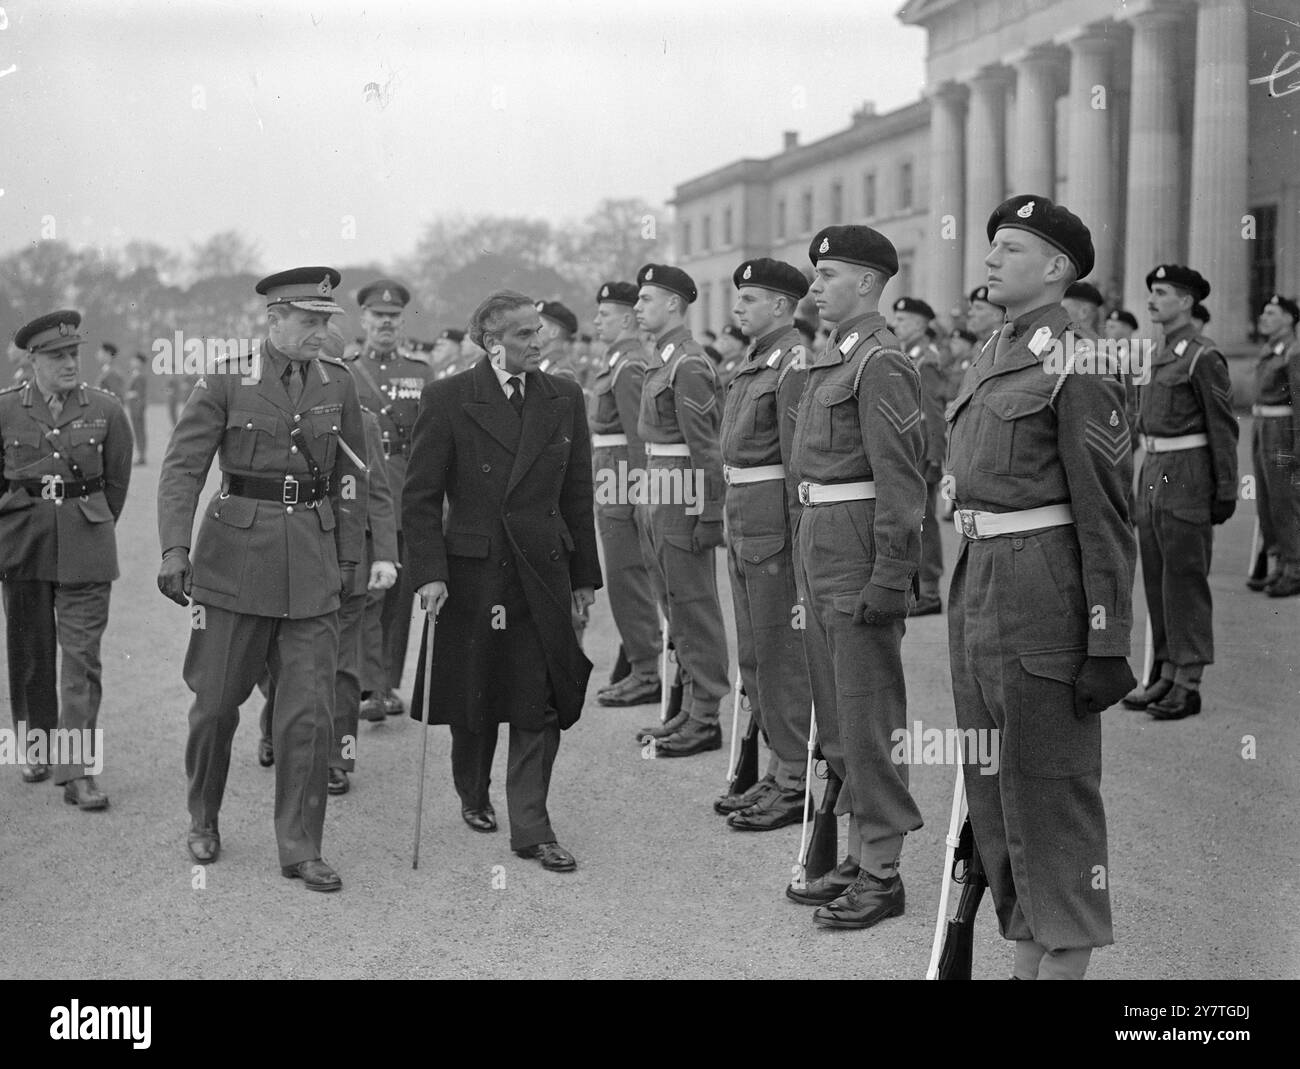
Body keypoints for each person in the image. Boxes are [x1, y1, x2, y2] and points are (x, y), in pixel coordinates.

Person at [947, 194, 1136, 979]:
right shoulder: (994, 349)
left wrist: (1107, 638)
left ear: (1057, 268)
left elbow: (1107, 513)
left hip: (1042, 596)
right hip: (980, 584)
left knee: (1050, 804)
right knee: (996, 800)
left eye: (1011, 248)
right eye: (992, 245)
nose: (990, 259)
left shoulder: (1079, 359)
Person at [156, 266, 367, 892]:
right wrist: (174, 548)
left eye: (326, 322)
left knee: (308, 715)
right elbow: (182, 470)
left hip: (313, 564)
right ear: (273, 321)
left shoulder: (339, 383)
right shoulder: (226, 377)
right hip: (234, 563)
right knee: (217, 705)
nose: (319, 333)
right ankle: (203, 815)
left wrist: (350, 556)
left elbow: (353, 478)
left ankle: (301, 847)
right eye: (308, 321)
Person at [404, 291, 601, 870]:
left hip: (543, 569)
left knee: (538, 698)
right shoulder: (447, 398)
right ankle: (472, 791)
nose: (538, 342)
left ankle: (533, 828)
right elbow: (419, 499)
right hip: (474, 573)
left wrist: (584, 576)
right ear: (493, 344)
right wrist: (429, 575)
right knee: (477, 696)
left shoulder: (563, 396)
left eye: (538, 331)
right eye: (523, 335)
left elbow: (578, 491)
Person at [783, 226, 925, 929]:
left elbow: (901, 482)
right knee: (838, 717)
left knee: (868, 719)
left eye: (828, 273)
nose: (814, 285)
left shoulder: (881, 363)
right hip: (822, 547)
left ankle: (884, 870)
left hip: (857, 552)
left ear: (868, 283)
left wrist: (891, 575)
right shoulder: (833, 358)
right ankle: (862, 852)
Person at [256, 324, 398, 793]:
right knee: (279, 656)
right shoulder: (271, 415)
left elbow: (378, 493)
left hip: (346, 563)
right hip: (290, 556)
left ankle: (338, 757)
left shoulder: (366, 424)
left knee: (341, 667)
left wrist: (386, 557)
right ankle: (274, 729)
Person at [1, 310, 132, 805]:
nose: (69, 363)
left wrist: (93, 526)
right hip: (24, 547)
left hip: (86, 547)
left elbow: (116, 483)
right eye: (56, 356)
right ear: (32, 359)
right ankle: (37, 745)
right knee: (31, 654)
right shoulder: (7, 410)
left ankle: (76, 770)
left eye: (73, 353)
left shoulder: (107, 409)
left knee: (82, 660)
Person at [715, 257, 813, 829]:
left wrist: (798, 537)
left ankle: (797, 775)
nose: (737, 308)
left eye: (748, 299)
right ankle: (778, 768)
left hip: (773, 515)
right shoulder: (755, 358)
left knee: (780, 652)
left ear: (780, 305)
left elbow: (797, 458)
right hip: (742, 511)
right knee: (753, 651)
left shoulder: (793, 360)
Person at [1122, 265, 1238, 720]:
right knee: (1157, 577)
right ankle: (1166, 671)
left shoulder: (1202, 356)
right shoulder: (1157, 353)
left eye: (1163, 292)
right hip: (1154, 471)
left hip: (1187, 476)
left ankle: (1188, 683)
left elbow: (1222, 427)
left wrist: (1226, 487)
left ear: (1187, 301)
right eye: (1151, 290)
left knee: (1185, 579)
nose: (1152, 299)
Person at [631, 263, 731, 756]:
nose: (637, 307)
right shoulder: (664, 358)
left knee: (693, 606)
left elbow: (706, 448)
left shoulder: (688, 364)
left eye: (646, 298)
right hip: (658, 486)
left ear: (674, 304)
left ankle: (706, 714)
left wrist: (710, 514)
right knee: (672, 603)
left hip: (682, 490)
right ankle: (690, 707)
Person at [344, 279, 433, 719]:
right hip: (359, 494)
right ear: (363, 320)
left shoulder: (420, 372)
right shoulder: (343, 369)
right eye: (378, 316)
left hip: (406, 493)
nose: (385, 323)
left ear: (402, 322)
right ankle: (369, 686)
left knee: (396, 600)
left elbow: (432, 441)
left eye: (393, 317)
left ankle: (386, 683)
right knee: (365, 593)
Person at [589, 281, 663, 708]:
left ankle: (647, 670)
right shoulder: (617, 360)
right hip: (609, 478)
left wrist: (639, 495)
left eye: (606, 313)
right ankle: (639, 664)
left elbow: (639, 437)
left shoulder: (630, 364)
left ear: (628, 319)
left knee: (627, 578)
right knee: (620, 579)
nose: (597, 320)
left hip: (622, 481)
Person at [891, 296, 947, 616]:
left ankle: (929, 590)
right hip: (912, 448)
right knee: (914, 518)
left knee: (924, 520)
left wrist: (937, 454)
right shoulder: (907, 355)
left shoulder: (926, 359)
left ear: (921, 324)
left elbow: (934, 411)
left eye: (904, 320)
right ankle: (918, 587)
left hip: (923, 449)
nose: (897, 324)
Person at [1246, 294, 1300, 597]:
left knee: (1285, 500)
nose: (1263, 317)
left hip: (1281, 430)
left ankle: (1295, 567)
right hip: (1263, 427)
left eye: (1271, 312)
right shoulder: (1272, 349)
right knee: (1267, 500)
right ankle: (1280, 564)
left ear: (1289, 319)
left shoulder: (1294, 352)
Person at [125, 351, 148, 465]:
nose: (132, 362)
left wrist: (129, 394)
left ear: (139, 362)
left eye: (134, 360)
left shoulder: (139, 376)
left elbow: (139, 393)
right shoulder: (136, 374)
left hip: (137, 408)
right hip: (135, 407)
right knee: (138, 431)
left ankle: (142, 456)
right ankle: (141, 454)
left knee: (139, 431)